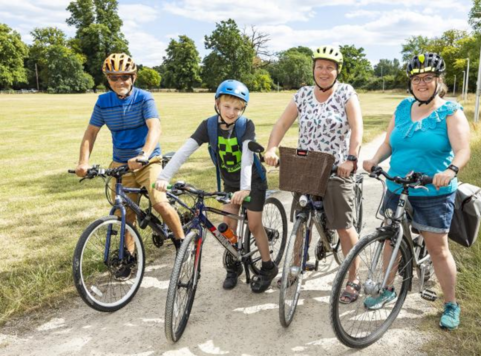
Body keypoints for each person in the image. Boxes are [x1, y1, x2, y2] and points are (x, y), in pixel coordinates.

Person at [362, 53, 471, 330]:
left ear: (438, 81)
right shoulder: (402, 108)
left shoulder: (450, 111)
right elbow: (389, 142)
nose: (421, 83)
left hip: (433, 192)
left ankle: (450, 304)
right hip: (397, 187)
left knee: (438, 249)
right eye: (416, 79)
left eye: (427, 78)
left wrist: (451, 171)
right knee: (390, 239)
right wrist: (375, 159)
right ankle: (387, 288)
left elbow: (463, 150)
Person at [155, 79, 278, 293]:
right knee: (227, 228)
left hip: (253, 183)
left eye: (238, 108)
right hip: (230, 183)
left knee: (254, 225)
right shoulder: (209, 125)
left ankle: (268, 267)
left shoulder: (245, 125)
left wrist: (246, 188)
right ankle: (234, 265)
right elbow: (186, 150)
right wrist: (165, 176)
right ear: (217, 103)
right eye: (227, 106)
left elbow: (248, 156)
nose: (232, 112)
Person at [264, 45, 363, 303]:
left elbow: (356, 126)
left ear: (337, 71)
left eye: (330, 67)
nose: (324, 71)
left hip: (336, 167)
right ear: (313, 69)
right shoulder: (303, 94)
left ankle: (353, 278)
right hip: (306, 166)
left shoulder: (345, 93)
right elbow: (282, 124)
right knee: (300, 217)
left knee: (343, 225)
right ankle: (295, 266)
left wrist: (351, 159)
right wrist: (272, 147)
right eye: (320, 66)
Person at [75, 53, 185, 279]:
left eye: (124, 76)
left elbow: (155, 127)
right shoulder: (103, 102)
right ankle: (129, 257)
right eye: (114, 78)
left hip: (149, 161)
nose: (119, 82)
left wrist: (145, 154)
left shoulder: (144, 98)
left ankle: (182, 244)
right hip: (121, 163)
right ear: (108, 80)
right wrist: (83, 162)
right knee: (123, 213)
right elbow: (91, 133)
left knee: (159, 203)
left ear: (133, 76)